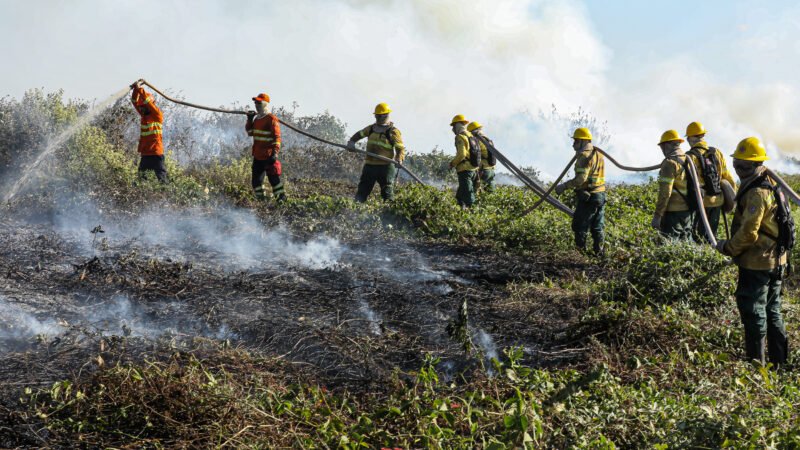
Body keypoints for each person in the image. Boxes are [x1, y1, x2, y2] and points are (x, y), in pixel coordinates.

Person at [716, 137, 790, 367]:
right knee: (772, 309)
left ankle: (757, 365)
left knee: (754, 310)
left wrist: (727, 247)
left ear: (756, 165)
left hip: (759, 262)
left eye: (743, 167)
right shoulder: (769, 182)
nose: (739, 171)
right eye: (737, 165)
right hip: (776, 259)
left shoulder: (757, 192)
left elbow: (749, 233)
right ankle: (780, 363)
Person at [555, 128, 606, 254]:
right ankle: (599, 254)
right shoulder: (598, 154)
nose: (573, 145)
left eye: (576, 141)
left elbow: (580, 179)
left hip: (589, 196)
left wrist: (564, 186)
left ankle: (580, 254)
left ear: (583, 142)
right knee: (597, 227)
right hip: (600, 195)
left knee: (580, 225)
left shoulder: (584, 156)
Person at [685, 121, 736, 240]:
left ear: (692, 138)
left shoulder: (689, 156)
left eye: (688, 137)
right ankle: (712, 253)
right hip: (718, 201)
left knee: (698, 238)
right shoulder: (716, 152)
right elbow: (727, 176)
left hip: (700, 203)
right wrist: (732, 198)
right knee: (711, 235)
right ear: (702, 136)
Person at [347, 103, 406, 202]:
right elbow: (359, 134)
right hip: (370, 166)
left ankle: (389, 215)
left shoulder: (392, 132)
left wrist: (399, 159)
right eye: (377, 115)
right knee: (362, 192)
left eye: (380, 115)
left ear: (386, 115)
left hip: (385, 167)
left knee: (387, 194)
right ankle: (356, 212)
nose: (378, 118)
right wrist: (352, 142)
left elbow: (400, 148)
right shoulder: (371, 129)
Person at [652, 130, 693, 240]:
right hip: (687, 211)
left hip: (673, 213)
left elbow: (665, 193)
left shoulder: (669, 163)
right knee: (686, 246)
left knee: (669, 246)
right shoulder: (687, 158)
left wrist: (657, 216)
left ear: (666, 145)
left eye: (662, 146)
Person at [246, 93, 285, 202]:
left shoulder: (271, 119)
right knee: (256, 183)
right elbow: (250, 133)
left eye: (259, 102)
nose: (256, 105)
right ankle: (262, 202)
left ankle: (282, 201)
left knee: (274, 181)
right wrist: (249, 119)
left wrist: (275, 153)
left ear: (265, 104)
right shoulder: (257, 119)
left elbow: (277, 137)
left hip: (268, 156)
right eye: (255, 103)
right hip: (258, 156)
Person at [131, 82, 167, 183]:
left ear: (149, 106)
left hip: (156, 152)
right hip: (146, 153)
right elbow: (134, 101)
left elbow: (147, 102)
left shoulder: (157, 114)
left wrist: (140, 89)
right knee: (141, 179)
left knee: (162, 178)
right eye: (141, 107)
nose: (141, 109)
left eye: (143, 107)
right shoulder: (144, 115)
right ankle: (141, 196)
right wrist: (135, 89)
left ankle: (166, 196)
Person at [448, 115, 479, 208]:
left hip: (465, 171)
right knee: (460, 197)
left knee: (469, 199)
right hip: (474, 169)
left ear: (456, 125)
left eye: (453, 126)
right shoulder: (471, 136)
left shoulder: (460, 137)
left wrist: (452, 164)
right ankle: (460, 216)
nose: (453, 129)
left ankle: (473, 218)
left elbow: (462, 154)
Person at [468, 121, 497, 193]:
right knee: (491, 192)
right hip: (491, 169)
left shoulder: (476, 140)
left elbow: (475, 154)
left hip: (483, 170)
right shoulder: (488, 139)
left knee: (475, 189)